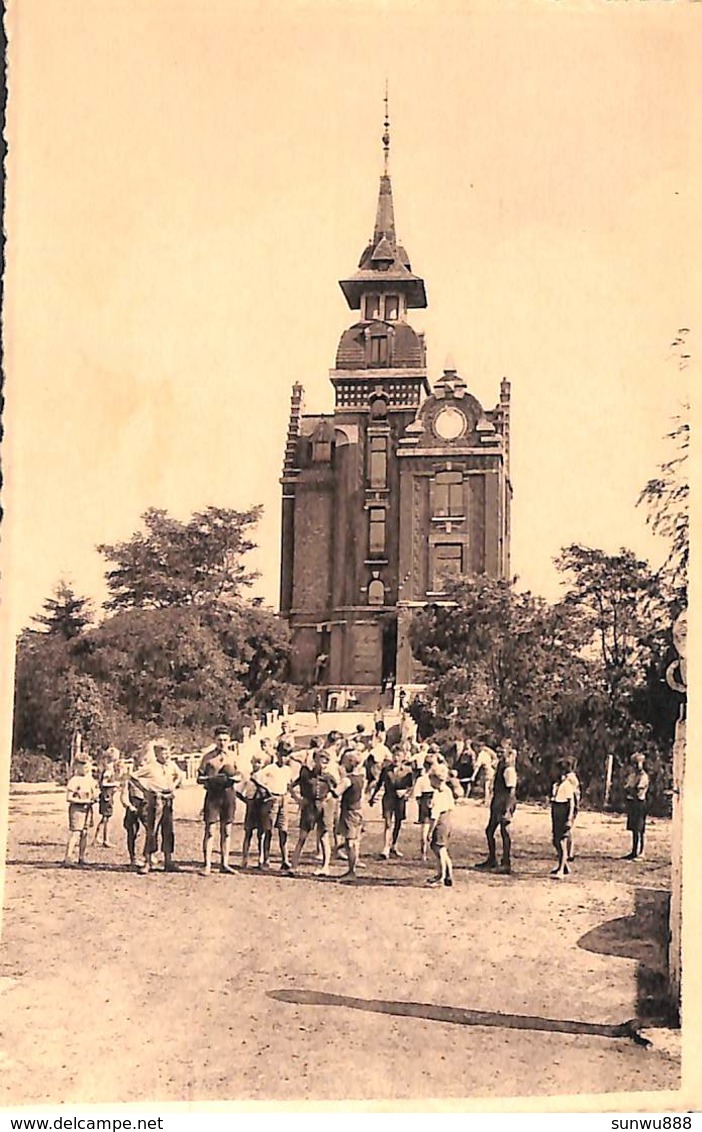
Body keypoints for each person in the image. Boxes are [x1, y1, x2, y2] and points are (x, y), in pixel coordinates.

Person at [132, 738, 184, 875]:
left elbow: (180, 775)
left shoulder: (172, 765)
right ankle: (148, 861)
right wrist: (145, 790)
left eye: (167, 752)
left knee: (168, 830)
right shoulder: (150, 767)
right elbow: (133, 777)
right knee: (152, 830)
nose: (166, 755)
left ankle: (168, 860)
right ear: (156, 753)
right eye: (163, 753)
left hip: (168, 798)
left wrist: (174, 785)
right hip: (156, 799)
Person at [197, 725, 241, 876]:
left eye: (225, 740)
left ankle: (225, 863)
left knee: (227, 830)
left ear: (229, 740)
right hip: (213, 795)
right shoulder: (208, 757)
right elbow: (199, 778)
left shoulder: (233, 756)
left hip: (228, 794)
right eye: (219, 740)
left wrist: (235, 778)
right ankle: (207, 864)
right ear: (214, 740)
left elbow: (241, 774)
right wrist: (211, 779)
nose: (222, 742)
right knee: (210, 830)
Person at [290, 747, 339, 876]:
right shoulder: (306, 774)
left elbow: (336, 792)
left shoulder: (329, 778)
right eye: (321, 761)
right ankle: (293, 865)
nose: (323, 764)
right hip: (309, 808)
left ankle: (325, 867)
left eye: (326, 762)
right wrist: (298, 799)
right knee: (302, 837)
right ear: (315, 761)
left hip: (322, 808)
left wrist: (327, 799)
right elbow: (291, 786)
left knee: (323, 837)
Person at [475, 740, 518, 874]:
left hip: (505, 801)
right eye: (498, 750)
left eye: (502, 750)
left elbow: (511, 790)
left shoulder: (509, 768)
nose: (499, 752)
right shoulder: (501, 765)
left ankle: (506, 862)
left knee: (505, 831)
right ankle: (492, 859)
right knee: (490, 830)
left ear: (508, 750)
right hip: (498, 800)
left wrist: (507, 808)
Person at [253, 741, 295, 871]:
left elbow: (289, 784)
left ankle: (285, 859)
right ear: (277, 754)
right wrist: (266, 790)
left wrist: (293, 795)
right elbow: (255, 777)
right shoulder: (270, 768)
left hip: (284, 799)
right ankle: (265, 859)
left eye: (286, 755)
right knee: (268, 830)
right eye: (281, 755)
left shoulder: (288, 770)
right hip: (272, 799)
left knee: (283, 830)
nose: (284, 758)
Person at [369, 746, 414, 859]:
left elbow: (411, 787)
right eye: (394, 755)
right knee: (388, 823)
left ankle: (394, 845)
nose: (396, 758)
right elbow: (380, 783)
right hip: (388, 797)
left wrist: (406, 793)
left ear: (403, 757)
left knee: (398, 823)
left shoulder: (408, 771)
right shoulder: (386, 769)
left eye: (398, 755)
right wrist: (373, 796)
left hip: (400, 800)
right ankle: (385, 848)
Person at [64, 755, 99, 867]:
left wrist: (95, 797)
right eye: (82, 765)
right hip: (77, 809)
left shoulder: (90, 779)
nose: (85, 768)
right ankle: (68, 857)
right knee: (76, 832)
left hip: (88, 808)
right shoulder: (74, 780)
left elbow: (95, 794)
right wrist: (82, 800)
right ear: (77, 766)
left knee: (85, 833)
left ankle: (81, 857)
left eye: (87, 765)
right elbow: (69, 797)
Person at [336, 748, 365, 881]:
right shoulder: (361, 777)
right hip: (358, 810)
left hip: (349, 811)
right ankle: (352, 868)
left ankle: (351, 871)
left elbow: (337, 792)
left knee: (350, 842)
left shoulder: (348, 780)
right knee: (355, 841)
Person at [426, 762, 455, 887]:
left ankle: (441, 878)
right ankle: (447, 875)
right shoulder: (448, 791)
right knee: (443, 849)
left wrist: (429, 832)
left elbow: (434, 815)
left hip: (440, 823)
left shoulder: (438, 795)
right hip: (448, 821)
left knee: (440, 851)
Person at [550, 759, 578, 879]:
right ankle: (564, 865)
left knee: (561, 841)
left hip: (563, 811)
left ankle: (561, 869)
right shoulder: (556, 785)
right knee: (555, 840)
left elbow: (571, 803)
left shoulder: (567, 785)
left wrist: (569, 818)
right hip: (556, 810)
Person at [238, 755, 266, 869]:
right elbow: (238, 791)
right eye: (255, 762)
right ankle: (244, 858)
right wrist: (246, 801)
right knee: (248, 833)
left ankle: (261, 858)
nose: (257, 765)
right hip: (251, 804)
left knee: (261, 834)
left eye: (259, 762)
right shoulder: (247, 777)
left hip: (261, 804)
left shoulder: (265, 776)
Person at [121, 749, 147, 868]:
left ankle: (148, 855)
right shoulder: (129, 779)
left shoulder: (148, 777)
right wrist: (129, 806)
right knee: (132, 832)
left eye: (144, 764)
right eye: (140, 765)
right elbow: (124, 795)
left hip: (146, 805)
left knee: (150, 831)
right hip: (133, 805)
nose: (142, 767)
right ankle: (133, 857)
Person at [93, 746, 121, 847]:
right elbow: (104, 783)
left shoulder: (108, 767)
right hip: (107, 795)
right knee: (107, 818)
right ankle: (106, 839)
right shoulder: (109, 770)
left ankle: (98, 837)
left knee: (105, 817)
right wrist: (115, 784)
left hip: (107, 795)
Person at [624, 752, 649, 860]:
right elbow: (627, 787)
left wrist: (631, 790)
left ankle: (642, 852)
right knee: (634, 828)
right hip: (632, 803)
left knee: (640, 828)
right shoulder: (632, 776)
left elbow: (638, 789)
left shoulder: (644, 777)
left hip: (639, 802)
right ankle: (634, 851)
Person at [412, 754, 436, 862]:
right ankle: (430, 853)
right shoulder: (436, 778)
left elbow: (417, 796)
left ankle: (424, 853)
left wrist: (421, 805)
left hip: (425, 802)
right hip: (432, 802)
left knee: (425, 830)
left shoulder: (421, 779)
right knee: (433, 829)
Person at [471, 740, 497, 805]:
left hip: (487, 771)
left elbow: (477, 766)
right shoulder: (486, 753)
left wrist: (473, 776)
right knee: (490, 787)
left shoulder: (481, 755)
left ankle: (486, 801)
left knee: (487, 787)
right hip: (491, 771)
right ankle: (489, 800)